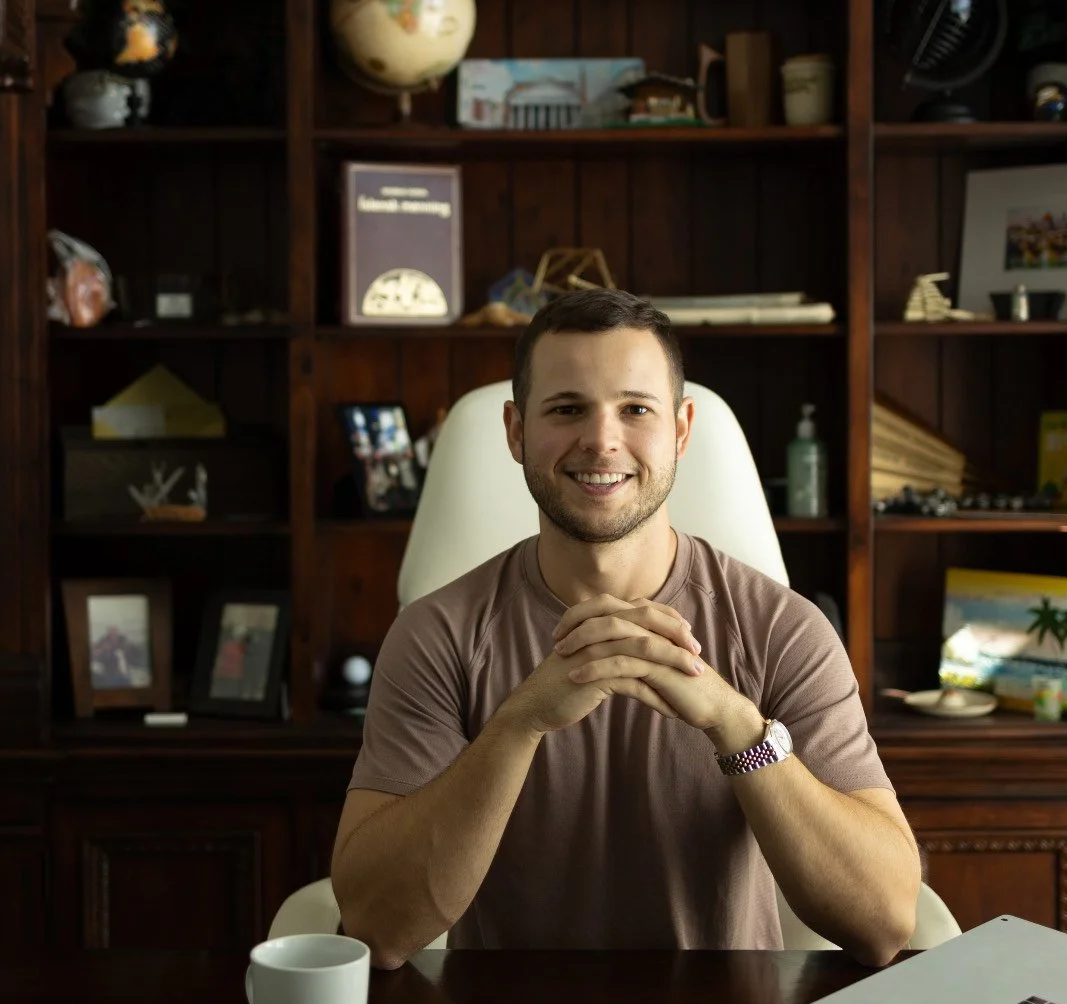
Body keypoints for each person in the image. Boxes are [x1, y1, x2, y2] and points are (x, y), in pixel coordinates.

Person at [332, 290, 921, 968]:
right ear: (516, 430)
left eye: (635, 409)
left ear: (681, 429)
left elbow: (883, 922)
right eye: (567, 408)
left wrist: (736, 726)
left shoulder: (786, 630)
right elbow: (377, 928)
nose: (602, 439)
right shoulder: (435, 634)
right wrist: (519, 724)